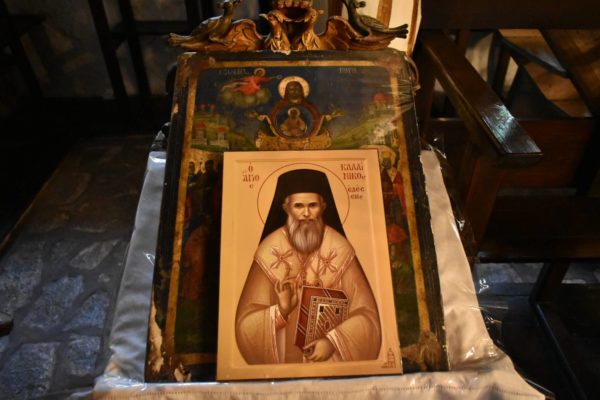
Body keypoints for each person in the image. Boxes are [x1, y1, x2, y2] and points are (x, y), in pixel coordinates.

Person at [235, 169, 381, 364]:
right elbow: (245, 324)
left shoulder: (340, 249)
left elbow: (367, 317)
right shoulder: (269, 250)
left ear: (323, 207)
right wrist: (281, 311)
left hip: (328, 365)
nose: (306, 213)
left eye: (312, 205)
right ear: (286, 208)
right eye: (298, 206)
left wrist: (333, 342)